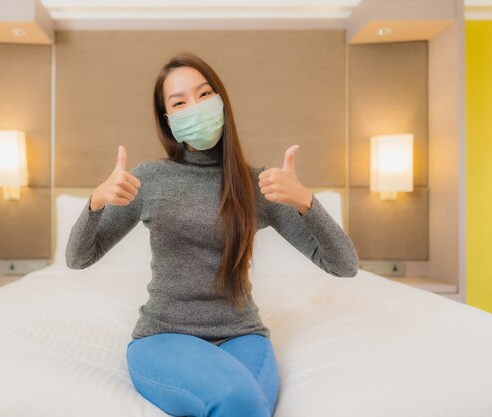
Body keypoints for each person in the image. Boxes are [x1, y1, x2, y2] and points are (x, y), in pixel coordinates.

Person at [66, 52, 359, 417]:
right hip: (163, 336)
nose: (196, 107)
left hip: (242, 335)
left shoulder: (256, 185)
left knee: (244, 405)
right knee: (243, 401)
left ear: (221, 100)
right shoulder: (149, 180)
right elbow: (78, 258)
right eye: (179, 102)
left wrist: (306, 203)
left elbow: (345, 265)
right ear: (168, 119)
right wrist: (95, 203)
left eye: (204, 95)